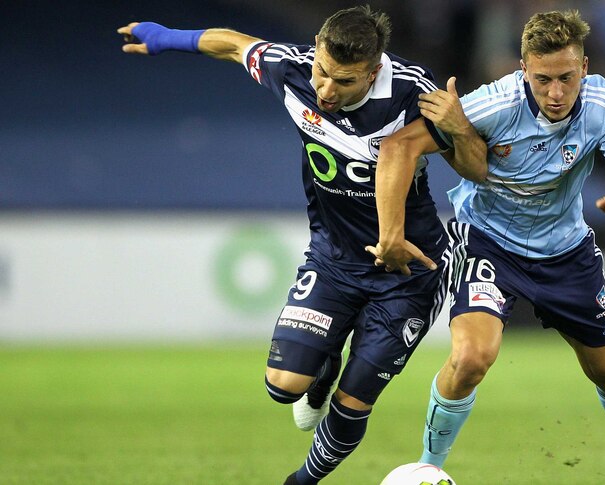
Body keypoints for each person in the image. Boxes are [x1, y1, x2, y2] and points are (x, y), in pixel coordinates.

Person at [118, 6, 485, 484]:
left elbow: (476, 167)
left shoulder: (415, 91)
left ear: (374, 71)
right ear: (315, 47)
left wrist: (458, 127)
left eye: (345, 82)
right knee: (283, 386)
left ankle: (301, 481)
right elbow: (233, 43)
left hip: (407, 271)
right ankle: (322, 365)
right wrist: (168, 37)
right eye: (323, 72)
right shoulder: (292, 69)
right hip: (333, 259)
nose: (326, 91)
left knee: (355, 399)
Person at [369, 9, 605, 485]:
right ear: (522, 70)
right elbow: (398, 147)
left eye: (566, 78)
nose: (556, 93)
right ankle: (427, 468)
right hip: (488, 242)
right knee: (472, 357)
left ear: (585, 67)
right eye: (542, 80)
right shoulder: (493, 104)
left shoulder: (604, 104)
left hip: (566, 251)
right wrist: (390, 231)